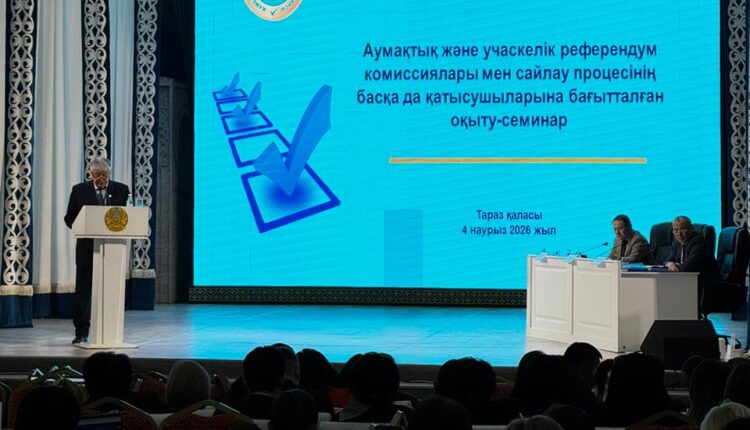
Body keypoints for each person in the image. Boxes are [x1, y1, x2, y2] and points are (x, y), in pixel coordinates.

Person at [64, 157, 130, 344]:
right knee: (84, 292)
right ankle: (81, 332)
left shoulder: (122, 190)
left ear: (110, 173)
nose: (101, 178)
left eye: (104, 174)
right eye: (97, 174)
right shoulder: (79, 190)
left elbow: (128, 215)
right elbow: (69, 217)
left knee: (111, 290)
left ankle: (111, 331)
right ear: (91, 174)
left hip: (113, 248)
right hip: (87, 249)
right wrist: (81, 227)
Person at [665, 216, 720, 283]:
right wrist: (669, 264)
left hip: (705, 282)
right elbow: (668, 260)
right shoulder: (677, 242)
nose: (679, 234)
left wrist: (675, 266)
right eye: (676, 230)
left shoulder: (698, 242)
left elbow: (689, 267)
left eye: (683, 229)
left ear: (691, 228)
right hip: (687, 280)